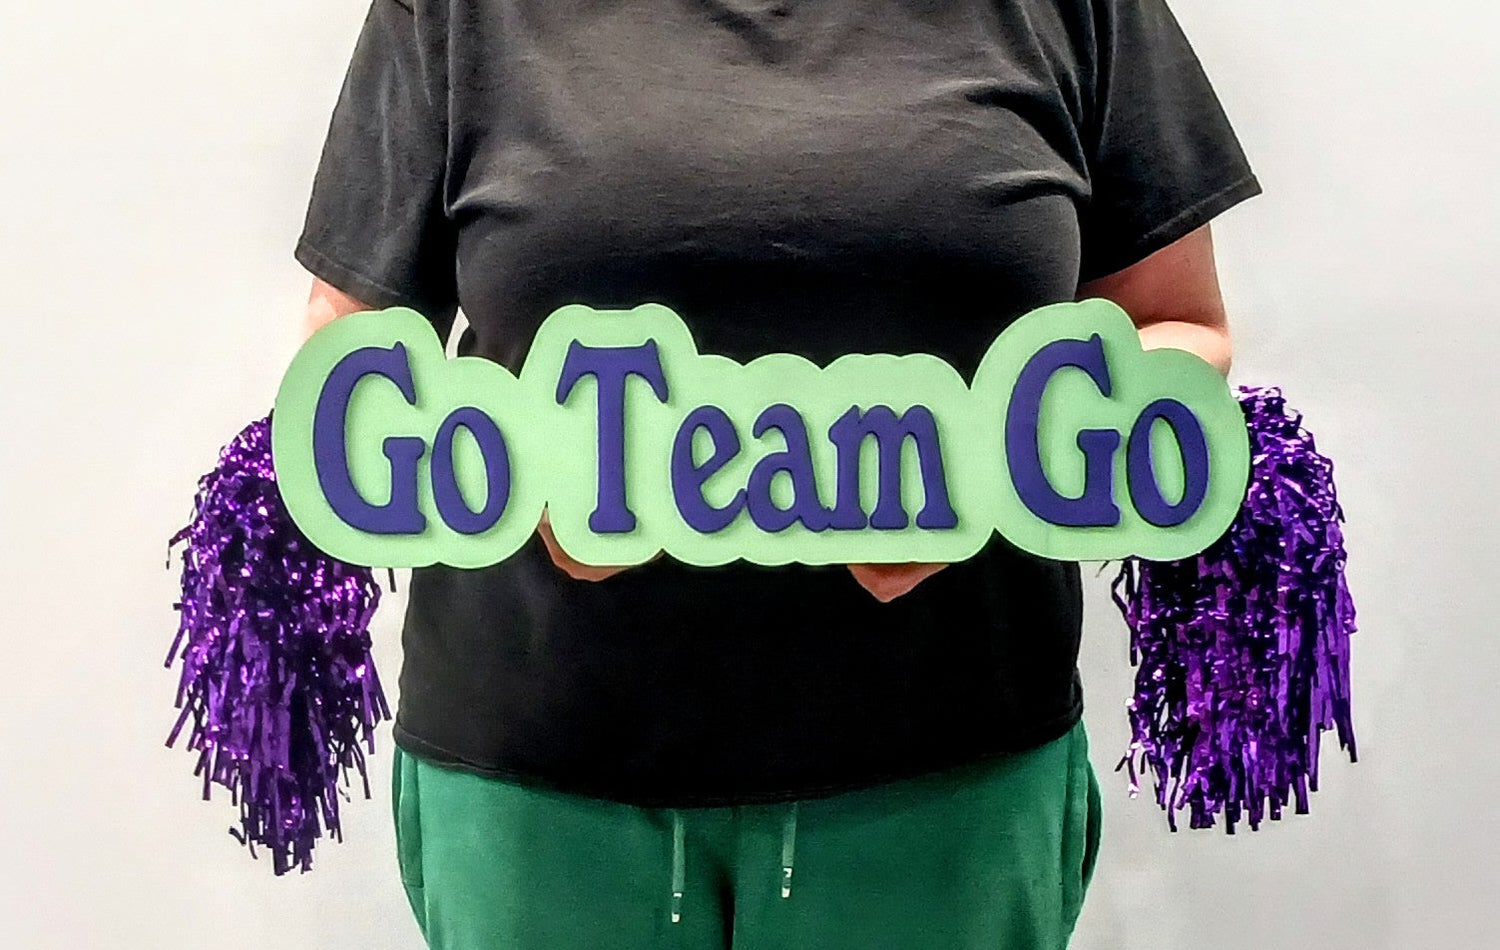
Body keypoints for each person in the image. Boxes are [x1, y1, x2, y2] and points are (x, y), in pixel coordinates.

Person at [295, 1, 1259, 946]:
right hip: (542, 792)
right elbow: (350, 359)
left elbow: (1176, 328)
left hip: (946, 783)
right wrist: (528, 475)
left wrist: (986, 480)